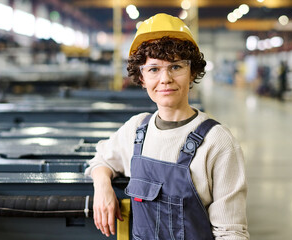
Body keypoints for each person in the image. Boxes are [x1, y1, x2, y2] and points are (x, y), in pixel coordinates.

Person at [85, 13, 249, 239]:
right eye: (153, 69)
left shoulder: (217, 142)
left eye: (175, 67)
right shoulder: (136, 130)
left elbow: (231, 232)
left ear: (192, 73)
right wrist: (102, 185)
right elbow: (101, 160)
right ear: (141, 78)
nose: (165, 79)